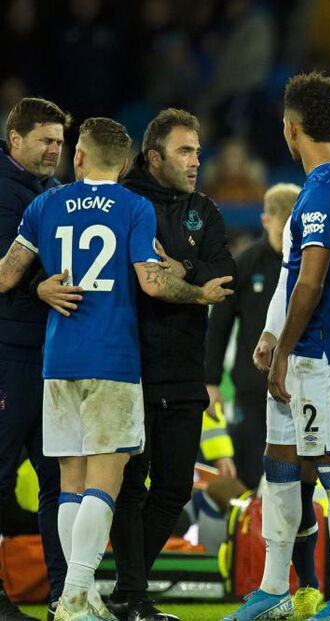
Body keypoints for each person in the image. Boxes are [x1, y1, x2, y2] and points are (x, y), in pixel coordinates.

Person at [0, 117, 231, 621]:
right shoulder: (133, 207)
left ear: (78, 157)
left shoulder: (43, 204)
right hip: (113, 360)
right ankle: (78, 599)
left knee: (69, 484)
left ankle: (70, 598)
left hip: (57, 360)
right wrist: (199, 293)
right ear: (125, 163)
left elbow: (7, 274)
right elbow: (151, 282)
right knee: (106, 482)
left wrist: (38, 287)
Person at [227, 71, 330, 621]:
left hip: (323, 351)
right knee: (280, 462)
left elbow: (309, 283)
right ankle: (273, 588)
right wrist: (274, 333)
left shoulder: (319, 192)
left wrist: (283, 350)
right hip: (315, 343)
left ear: (291, 129)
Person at [106, 108, 237, 621]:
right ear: (153, 156)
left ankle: (127, 587)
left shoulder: (203, 209)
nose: (196, 161)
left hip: (185, 367)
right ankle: (132, 594)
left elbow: (222, 273)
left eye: (199, 151)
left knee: (175, 485)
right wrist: (193, 285)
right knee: (129, 484)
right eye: (185, 151)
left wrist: (183, 267)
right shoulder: (126, 203)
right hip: (134, 364)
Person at [0, 97, 70, 621]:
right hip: (7, 353)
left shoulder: (48, 195)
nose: (55, 150)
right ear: (15, 138)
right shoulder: (6, 192)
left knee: (56, 478)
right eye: (45, 140)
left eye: (61, 142)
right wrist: (32, 290)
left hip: (46, 358)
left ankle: (64, 596)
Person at [205, 183, 300, 489]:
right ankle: (250, 532)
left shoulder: (309, 263)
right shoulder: (245, 264)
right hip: (252, 387)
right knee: (252, 469)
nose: (286, 238)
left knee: (295, 470)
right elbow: (218, 323)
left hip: (299, 384)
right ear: (265, 221)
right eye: (281, 229)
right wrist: (211, 380)